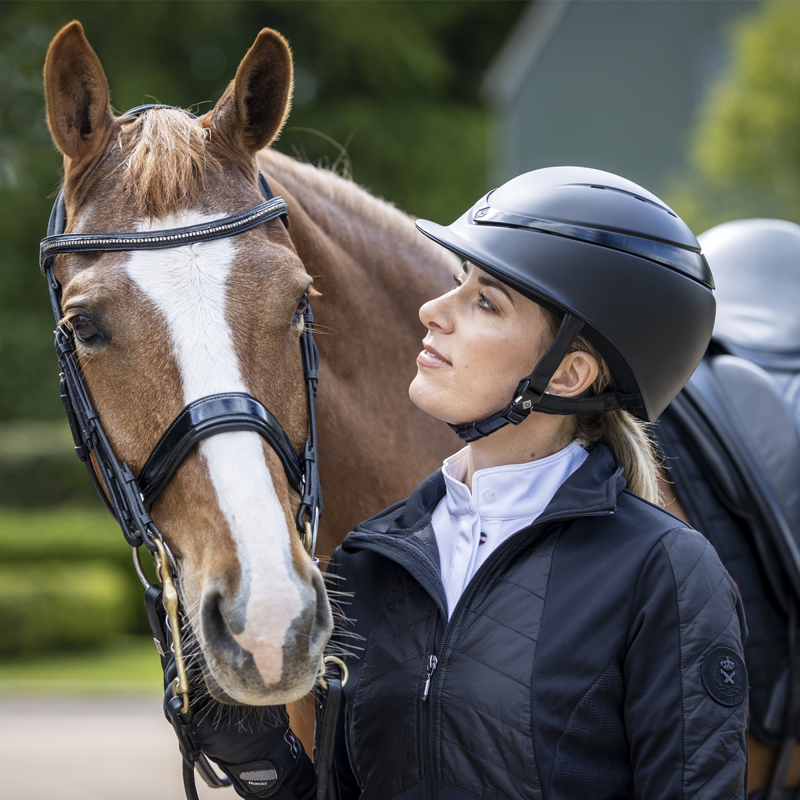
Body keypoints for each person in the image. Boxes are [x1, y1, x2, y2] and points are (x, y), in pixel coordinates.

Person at [188, 166, 749, 800]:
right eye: (459, 282)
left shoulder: (666, 574)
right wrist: (263, 763)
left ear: (566, 375)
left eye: (485, 302)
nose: (431, 311)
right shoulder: (367, 561)